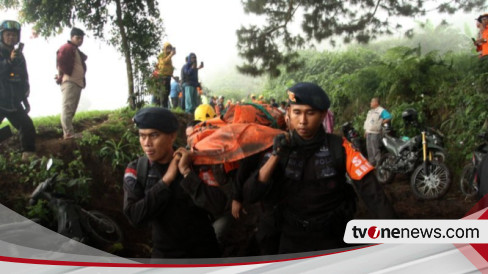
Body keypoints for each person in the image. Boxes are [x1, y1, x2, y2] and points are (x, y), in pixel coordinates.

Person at [243, 82, 395, 254]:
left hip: (332, 238)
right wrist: (276, 155)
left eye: (310, 113)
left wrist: (394, 234)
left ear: (323, 115)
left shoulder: (340, 147)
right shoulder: (281, 148)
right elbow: (251, 194)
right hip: (291, 238)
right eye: (297, 113)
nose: (303, 121)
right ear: (289, 115)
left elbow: (373, 193)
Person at [123, 107, 220, 258]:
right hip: (164, 257)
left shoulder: (196, 163)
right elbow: (134, 217)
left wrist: (187, 173)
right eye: (142, 136)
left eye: (154, 135)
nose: (147, 143)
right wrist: (166, 181)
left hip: (204, 255)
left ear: (172, 136)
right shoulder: (137, 170)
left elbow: (217, 205)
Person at [0, 20, 36, 161]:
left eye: (14, 35)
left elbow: (23, 78)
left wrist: (25, 98)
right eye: (8, 34)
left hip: (13, 103)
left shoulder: (19, 55)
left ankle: (28, 157)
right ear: (2, 36)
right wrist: (8, 61)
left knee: (27, 126)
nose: (11, 38)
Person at [55, 27, 87, 140]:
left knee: (71, 109)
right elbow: (60, 62)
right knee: (67, 108)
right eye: (78, 38)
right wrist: (60, 76)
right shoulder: (67, 48)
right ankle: (68, 134)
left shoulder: (74, 49)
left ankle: (69, 133)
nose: (80, 40)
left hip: (76, 82)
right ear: (71, 37)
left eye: (82, 38)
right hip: (70, 82)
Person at [363, 97, 391, 166]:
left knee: (375, 149)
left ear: (376, 102)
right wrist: (366, 131)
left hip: (375, 133)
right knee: (369, 149)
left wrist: (381, 123)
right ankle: (371, 163)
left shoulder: (381, 110)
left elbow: (389, 117)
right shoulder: (370, 111)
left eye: (372, 102)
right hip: (368, 132)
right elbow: (368, 122)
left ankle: (379, 165)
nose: (370, 103)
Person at [153, 42, 175, 108]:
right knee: (163, 94)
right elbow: (164, 62)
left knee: (167, 93)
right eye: (168, 48)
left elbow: (168, 68)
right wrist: (171, 54)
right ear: (165, 48)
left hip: (168, 77)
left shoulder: (169, 57)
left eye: (170, 48)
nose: (169, 49)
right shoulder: (161, 56)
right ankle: (160, 108)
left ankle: (164, 108)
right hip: (163, 77)